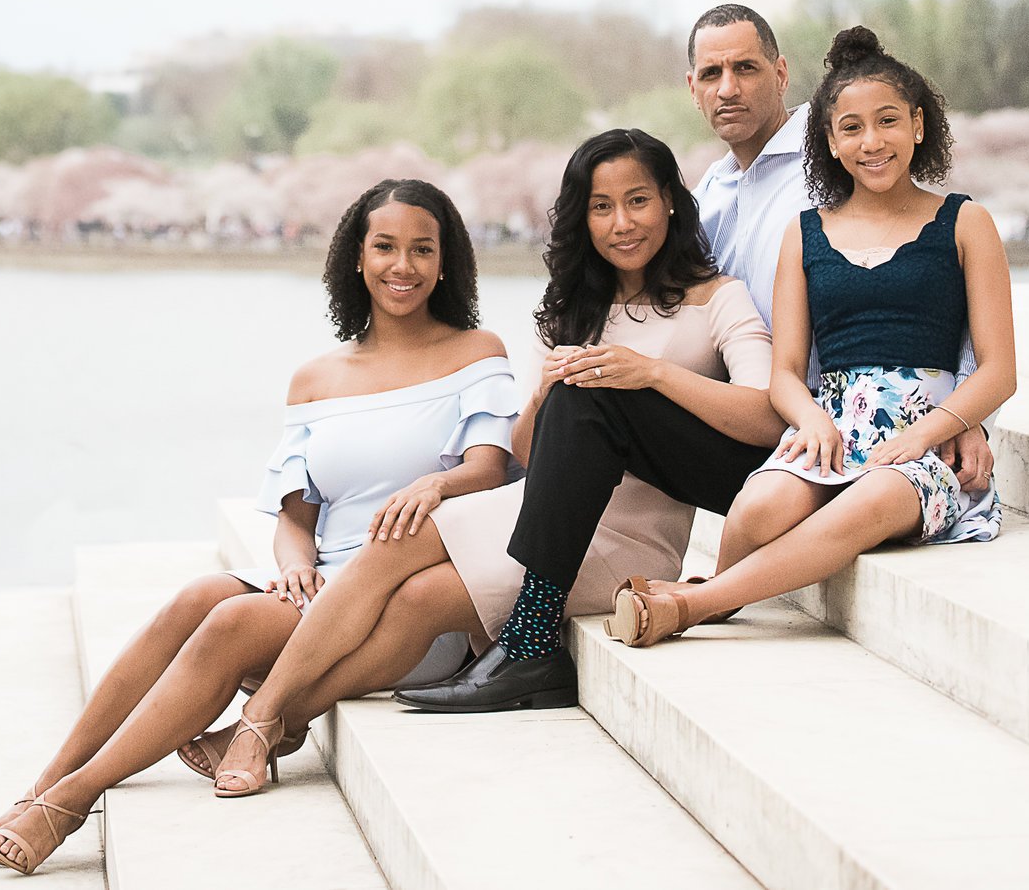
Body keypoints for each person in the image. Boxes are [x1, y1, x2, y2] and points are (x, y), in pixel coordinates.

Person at [388, 4, 993, 713]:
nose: (728, 88)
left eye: (744, 68)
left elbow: (911, 277)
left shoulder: (826, 169)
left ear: (781, 72)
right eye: (712, 73)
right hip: (791, 423)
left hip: (825, 424)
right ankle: (525, 633)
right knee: (585, 397)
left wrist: (958, 413)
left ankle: (559, 624)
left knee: (600, 401)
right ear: (693, 86)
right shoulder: (711, 194)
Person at [205, 129, 778, 791]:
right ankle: (273, 721)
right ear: (581, 218)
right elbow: (532, 455)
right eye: (601, 207)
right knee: (404, 554)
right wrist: (545, 389)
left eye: (638, 201)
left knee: (426, 591)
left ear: (672, 205)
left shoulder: (718, 299)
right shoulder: (572, 312)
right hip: (543, 515)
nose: (622, 223)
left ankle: (264, 720)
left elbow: (763, 416)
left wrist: (648, 373)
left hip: (628, 537)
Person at [0, 179, 518, 872]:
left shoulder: (476, 352)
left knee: (230, 623)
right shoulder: (316, 378)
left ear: (447, 263)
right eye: (385, 246)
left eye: (421, 249)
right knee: (200, 596)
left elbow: (489, 470)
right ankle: (44, 781)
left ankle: (72, 801)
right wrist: (293, 563)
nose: (401, 266)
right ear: (357, 256)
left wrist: (435, 482)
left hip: (402, 613)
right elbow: (298, 516)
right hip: (319, 593)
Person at [606, 25, 1014, 644]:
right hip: (831, 421)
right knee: (757, 507)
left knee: (872, 501)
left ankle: (696, 606)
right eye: (851, 128)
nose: (872, 142)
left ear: (919, 126)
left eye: (888, 122)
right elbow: (786, 369)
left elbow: (998, 370)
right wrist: (812, 421)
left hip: (923, 436)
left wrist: (937, 431)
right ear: (828, 140)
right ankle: (715, 597)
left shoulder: (966, 222)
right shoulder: (807, 231)